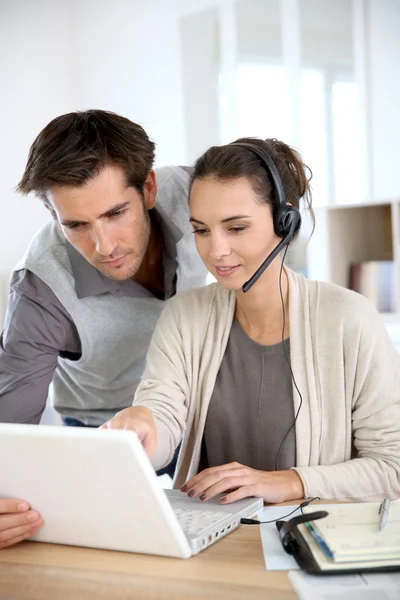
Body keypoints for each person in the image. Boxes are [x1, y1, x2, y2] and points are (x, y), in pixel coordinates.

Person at [103, 136, 400, 506]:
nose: (216, 250)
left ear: (285, 222)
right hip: (213, 541)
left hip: (311, 538)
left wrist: (289, 483)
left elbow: (392, 468)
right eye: (201, 230)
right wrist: (143, 425)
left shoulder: (349, 318)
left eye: (236, 228)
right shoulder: (184, 316)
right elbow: (163, 414)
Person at [0, 109, 206, 549]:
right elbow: (8, 435)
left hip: (196, 408)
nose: (104, 246)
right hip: (104, 433)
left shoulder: (198, 193)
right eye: (75, 224)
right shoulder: (39, 290)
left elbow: (269, 205)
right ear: (52, 213)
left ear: (148, 188)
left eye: (115, 213)